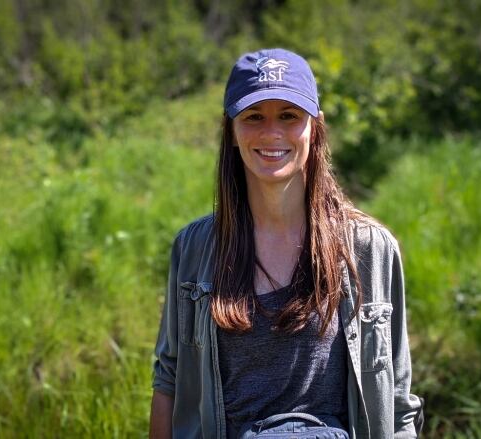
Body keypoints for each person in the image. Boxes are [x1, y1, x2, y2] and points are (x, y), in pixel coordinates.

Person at [149, 48, 423, 438]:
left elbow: (396, 401)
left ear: (316, 127)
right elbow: (170, 380)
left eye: (289, 116)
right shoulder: (195, 248)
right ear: (231, 130)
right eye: (254, 117)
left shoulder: (370, 249)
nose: (271, 132)